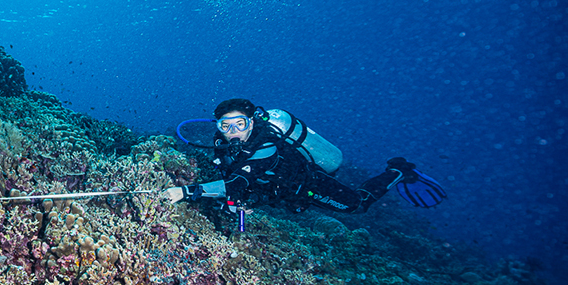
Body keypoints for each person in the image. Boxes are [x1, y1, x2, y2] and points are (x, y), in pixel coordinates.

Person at [164, 98, 444, 214]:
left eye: (241, 124)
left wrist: (186, 192)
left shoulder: (267, 145)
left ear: (252, 122)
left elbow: (239, 181)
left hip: (309, 186)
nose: (233, 132)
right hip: (278, 191)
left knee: (357, 205)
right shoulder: (222, 142)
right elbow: (240, 182)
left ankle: (398, 171)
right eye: (226, 126)